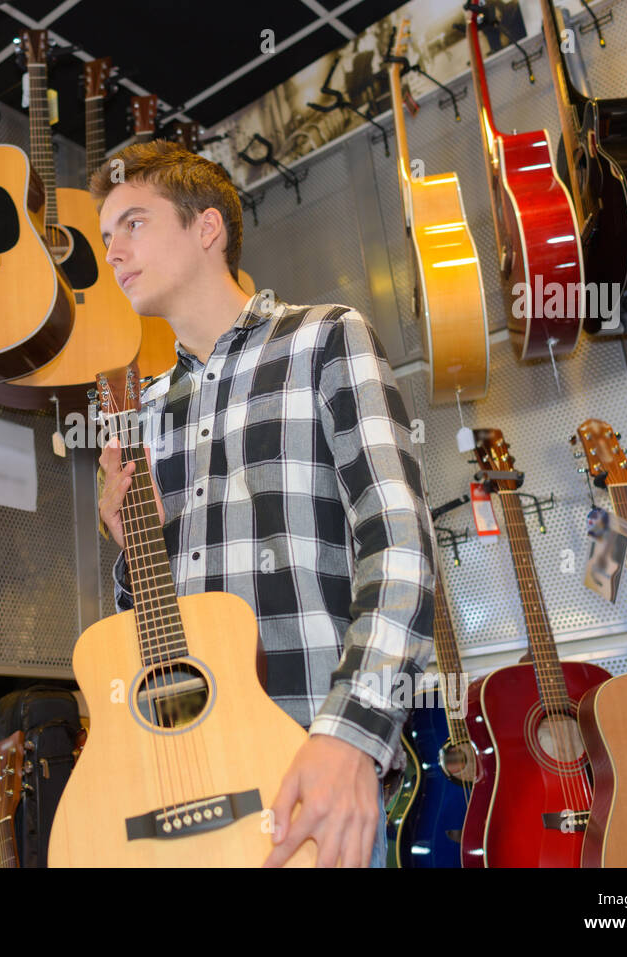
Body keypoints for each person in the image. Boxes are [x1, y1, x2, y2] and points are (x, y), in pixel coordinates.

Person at [92, 140, 435, 868]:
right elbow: (153, 638)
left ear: (206, 228)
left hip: (310, 771)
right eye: (104, 236)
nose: (113, 251)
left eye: (133, 224)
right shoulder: (143, 411)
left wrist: (352, 733)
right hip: (181, 782)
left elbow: (400, 542)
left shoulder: (325, 339)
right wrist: (133, 550)